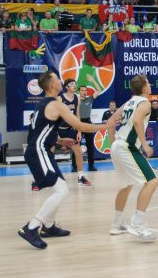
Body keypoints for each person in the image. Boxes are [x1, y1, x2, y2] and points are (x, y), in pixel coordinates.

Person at [18, 71, 115, 249]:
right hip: (39, 152)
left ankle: (49, 226)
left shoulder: (43, 104)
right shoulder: (56, 104)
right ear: (51, 85)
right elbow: (79, 125)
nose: (60, 81)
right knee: (61, 190)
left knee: (58, 186)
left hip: (40, 150)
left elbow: (38, 131)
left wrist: (59, 140)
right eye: (57, 79)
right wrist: (105, 125)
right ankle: (31, 227)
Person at [108, 75, 158, 241]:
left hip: (118, 146)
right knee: (152, 182)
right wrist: (144, 145)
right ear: (144, 88)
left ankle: (116, 225)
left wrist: (112, 144)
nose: (150, 86)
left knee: (126, 185)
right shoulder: (144, 103)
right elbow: (137, 120)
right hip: (127, 147)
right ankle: (138, 223)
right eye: (148, 84)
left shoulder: (129, 102)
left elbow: (110, 121)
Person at [57, 78, 91, 186]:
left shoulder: (77, 98)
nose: (75, 86)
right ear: (67, 87)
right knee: (49, 151)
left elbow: (78, 116)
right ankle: (39, 179)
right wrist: (56, 135)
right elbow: (55, 117)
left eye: (75, 84)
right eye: (72, 84)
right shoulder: (60, 98)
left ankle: (80, 177)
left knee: (78, 152)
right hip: (59, 130)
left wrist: (79, 131)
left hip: (71, 129)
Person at [78, 75, 102, 171]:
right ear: (79, 91)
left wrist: (93, 80)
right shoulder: (76, 100)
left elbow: (99, 90)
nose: (84, 92)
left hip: (87, 122)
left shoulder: (90, 99)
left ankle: (91, 165)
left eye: (85, 90)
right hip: (78, 122)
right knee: (76, 145)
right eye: (82, 90)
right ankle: (75, 166)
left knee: (90, 145)